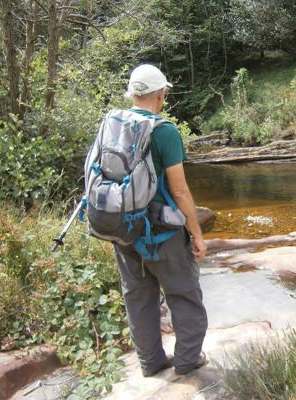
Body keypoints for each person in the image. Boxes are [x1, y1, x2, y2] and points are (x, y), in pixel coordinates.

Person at [114, 64, 208, 377]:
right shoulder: (164, 131)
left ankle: (151, 363)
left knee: (138, 298)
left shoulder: (115, 123)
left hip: (123, 229)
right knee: (183, 294)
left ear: (132, 94)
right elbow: (179, 191)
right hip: (161, 231)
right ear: (160, 95)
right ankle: (187, 361)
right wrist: (196, 234)